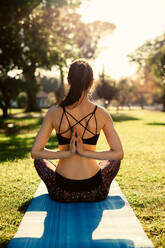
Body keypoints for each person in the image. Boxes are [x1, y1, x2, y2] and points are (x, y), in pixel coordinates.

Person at [31, 58, 124, 202]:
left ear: (69, 81)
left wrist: (67, 153)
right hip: (95, 191)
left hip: (61, 191)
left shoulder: (53, 112)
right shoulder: (102, 113)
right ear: (92, 82)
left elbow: (36, 152)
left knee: (39, 161)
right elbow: (119, 153)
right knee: (114, 160)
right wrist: (86, 153)